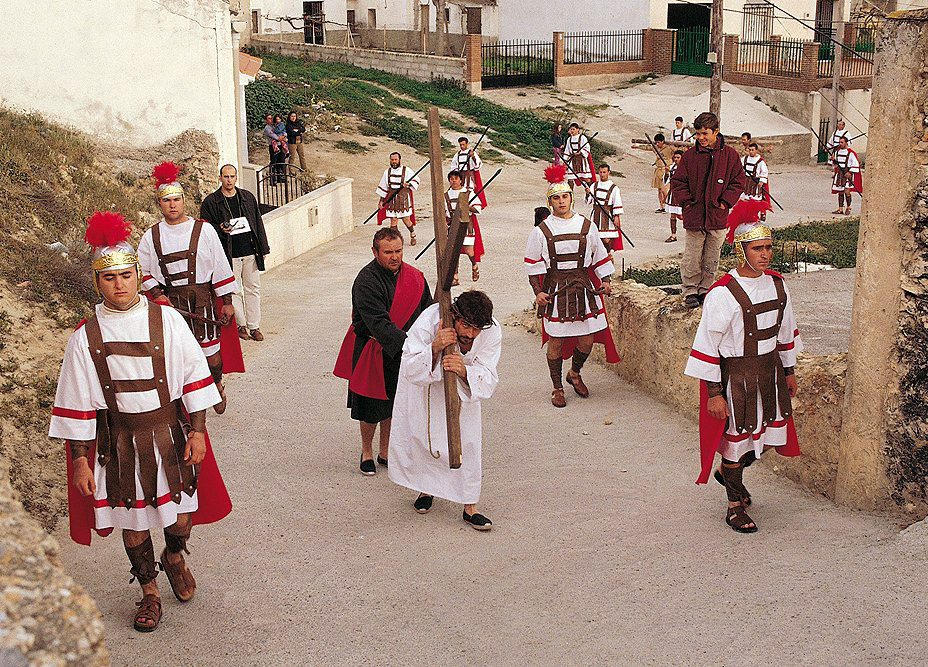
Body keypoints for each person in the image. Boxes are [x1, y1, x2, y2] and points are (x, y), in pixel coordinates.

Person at [50, 211, 232, 632]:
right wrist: (80, 460)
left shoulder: (167, 320)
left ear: (137, 275)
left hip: (170, 433)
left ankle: (173, 555)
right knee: (131, 521)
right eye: (110, 278)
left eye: (127, 276)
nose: (120, 285)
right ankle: (149, 591)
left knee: (180, 518)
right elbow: (78, 403)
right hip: (119, 442)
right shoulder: (85, 336)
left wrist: (200, 431)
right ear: (98, 282)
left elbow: (193, 376)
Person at [684, 213, 801, 534]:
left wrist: (788, 371)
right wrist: (714, 393)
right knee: (737, 444)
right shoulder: (722, 293)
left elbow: (784, 332)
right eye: (758, 248)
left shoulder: (778, 285)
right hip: (736, 380)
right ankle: (734, 505)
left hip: (770, 374)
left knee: (759, 440)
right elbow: (708, 344)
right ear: (741, 250)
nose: (765, 254)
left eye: (769, 247)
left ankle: (728, 472)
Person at [388, 290, 501, 531]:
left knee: (468, 445)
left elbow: (489, 374)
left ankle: (470, 506)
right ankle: (426, 490)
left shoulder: (491, 331)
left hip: (463, 396)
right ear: (454, 315)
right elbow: (408, 364)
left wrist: (464, 371)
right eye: (466, 326)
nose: (470, 334)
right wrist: (435, 347)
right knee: (426, 440)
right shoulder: (430, 320)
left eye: (477, 329)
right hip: (428, 391)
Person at [139, 162, 243, 415]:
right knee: (179, 358)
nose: (172, 204)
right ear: (160, 204)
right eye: (167, 201)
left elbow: (219, 265)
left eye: (176, 199)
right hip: (172, 306)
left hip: (203, 302)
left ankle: (216, 384)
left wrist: (227, 301)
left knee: (212, 358)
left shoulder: (204, 230)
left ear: (183, 201)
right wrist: (158, 295)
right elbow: (144, 272)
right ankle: (189, 405)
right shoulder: (150, 236)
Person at [334, 228, 432, 475]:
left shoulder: (415, 277)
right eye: (388, 252)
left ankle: (385, 451)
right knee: (370, 407)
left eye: (398, 251)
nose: (394, 257)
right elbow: (378, 323)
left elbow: (427, 311)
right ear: (375, 252)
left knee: (394, 402)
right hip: (373, 348)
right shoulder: (366, 281)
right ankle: (366, 451)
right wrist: (412, 346)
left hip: (402, 350)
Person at [524, 164, 619, 408]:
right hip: (556, 290)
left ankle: (574, 373)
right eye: (556, 198)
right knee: (555, 342)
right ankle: (557, 387)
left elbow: (599, 256)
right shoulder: (540, 231)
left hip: (584, 288)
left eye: (565, 196)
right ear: (550, 201)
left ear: (571, 198)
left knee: (586, 340)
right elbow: (533, 265)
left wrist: (606, 280)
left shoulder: (587, 226)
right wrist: (538, 292)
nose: (561, 201)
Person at [670, 112, 747, 309]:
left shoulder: (730, 156)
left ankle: (705, 289)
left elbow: (738, 182)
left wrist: (725, 202)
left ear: (716, 132)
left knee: (712, 256)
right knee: (692, 256)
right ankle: (690, 290)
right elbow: (678, 182)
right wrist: (687, 202)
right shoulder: (689, 156)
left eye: (705, 133)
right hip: (695, 216)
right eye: (698, 134)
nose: (701, 138)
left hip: (717, 217)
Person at [199, 164, 271, 342]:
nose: (229, 180)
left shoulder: (246, 197)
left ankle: (254, 326)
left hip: (250, 251)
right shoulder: (211, 201)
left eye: (232, 176)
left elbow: (257, 222)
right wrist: (220, 228)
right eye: (226, 177)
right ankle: (241, 325)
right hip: (228, 254)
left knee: (253, 289)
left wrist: (263, 248)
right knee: (234, 291)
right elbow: (204, 227)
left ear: (236, 177)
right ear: (220, 178)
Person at [445, 170, 484, 285]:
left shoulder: (468, 193)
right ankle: (455, 276)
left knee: (468, 250)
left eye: (456, 178)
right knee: (453, 252)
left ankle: (474, 265)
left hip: (466, 226)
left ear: (460, 180)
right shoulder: (446, 195)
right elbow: (445, 212)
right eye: (451, 179)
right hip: (453, 226)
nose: (454, 181)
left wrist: (467, 206)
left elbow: (478, 208)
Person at [375, 151, 420, 246]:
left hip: (403, 199)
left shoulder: (407, 170)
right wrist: (381, 201)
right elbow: (383, 187)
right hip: (392, 199)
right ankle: (395, 240)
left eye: (395, 159)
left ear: (399, 160)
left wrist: (409, 184)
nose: (394, 161)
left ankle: (413, 234)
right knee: (393, 220)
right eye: (392, 160)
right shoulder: (387, 172)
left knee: (406, 219)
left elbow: (416, 179)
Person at [584, 162, 624, 255]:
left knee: (607, 239)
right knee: (595, 237)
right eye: (601, 172)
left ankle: (608, 256)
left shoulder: (614, 188)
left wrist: (616, 216)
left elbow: (617, 202)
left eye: (604, 172)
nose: (602, 174)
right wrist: (587, 193)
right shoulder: (594, 185)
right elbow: (588, 201)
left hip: (607, 215)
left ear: (608, 173)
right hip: (596, 215)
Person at [449, 136, 488, 208]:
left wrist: (473, 157)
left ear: (467, 144)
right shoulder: (457, 154)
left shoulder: (472, 152)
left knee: (470, 191)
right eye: (460, 145)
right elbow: (453, 167)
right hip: (460, 176)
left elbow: (477, 164)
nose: (462, 146)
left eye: (463, 144)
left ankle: (470, 207)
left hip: (469, 176)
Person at [831, 136, 862, 215]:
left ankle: (848, 207)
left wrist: (850, 173)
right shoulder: (837, 152)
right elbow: (835, 164)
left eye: (842, 142)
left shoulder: (850, 153)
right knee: (840, 192)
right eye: (839, 142)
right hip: (840, 174)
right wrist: (833, 160)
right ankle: (840, 209)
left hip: (847, 173)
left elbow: (855, 163)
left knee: (847, 191)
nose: (840, 144)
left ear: (846, 143)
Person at [741, 143, 770, 222]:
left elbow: (764, 172)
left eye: (752, 150)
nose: (751, 152)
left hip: (755, 182)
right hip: (747, 182)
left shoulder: (760, 161)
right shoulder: (744, 159)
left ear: (756, 151)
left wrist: (761, 181)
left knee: (755, 199)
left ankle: (758, 215)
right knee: (745, 198)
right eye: (749, 150)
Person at [562, 123, 595, 189]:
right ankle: (570, 195)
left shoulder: (582, 138)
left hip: (581, 161)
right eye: (571, 129)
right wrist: (565, 160)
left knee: (586, 178)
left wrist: (580, 152)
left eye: (573, 129)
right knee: (570, 179)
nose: (572, 131)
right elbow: (567, 150)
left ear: (577, 129)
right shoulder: (569, 139)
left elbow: (587, 148)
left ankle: (592, 191)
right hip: (572, 160)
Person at [650, 133, 674, 213]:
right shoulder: (656, 148)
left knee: (664, 189)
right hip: (658, 170)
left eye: (659, 142)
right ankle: (661, 206)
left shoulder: (669, 148)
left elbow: (678, 151)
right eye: (656, 142)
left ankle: (667, 205)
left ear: (663, 141)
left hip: (665, 170)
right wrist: (636, 146)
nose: (657, 144)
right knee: (659, 190)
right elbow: (648, 147)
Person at [664, 149, 684, 243]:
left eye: (678, 157)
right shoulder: (672, 167)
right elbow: (666, 181)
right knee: (673, 215)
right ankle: (673, 235)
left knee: (683, 215)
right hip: (673, 194)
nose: (676, 159)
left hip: (682, 194)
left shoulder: (686, 168)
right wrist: (667, 173)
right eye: (675, 157)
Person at [263, 114, 287, 184]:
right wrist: (283, 136)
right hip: (273, 147)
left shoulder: (276, 125)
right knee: (274, 162)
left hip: (280, 145)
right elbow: (277, 138)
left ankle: (280, 178)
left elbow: (284, 132)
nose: (271, 120)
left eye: (271, 118)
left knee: (281, 161)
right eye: (269, 118)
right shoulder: (267, 128)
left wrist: (284, 135)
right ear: (266, 120)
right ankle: (273, 179)